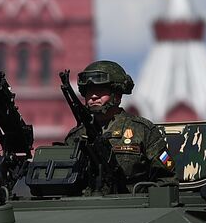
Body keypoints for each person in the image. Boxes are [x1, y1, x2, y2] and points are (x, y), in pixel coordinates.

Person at [63, 60, 175, 188]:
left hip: (132, 205)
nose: (93, 96)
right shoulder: (76, 136)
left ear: (117, 94)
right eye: (89, 91)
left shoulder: (142, 131)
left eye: (101, 90)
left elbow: (167, 179)